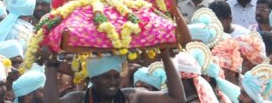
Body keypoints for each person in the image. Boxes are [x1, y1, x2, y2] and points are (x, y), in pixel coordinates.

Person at [44, 49, 186, 103]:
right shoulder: (79, 99)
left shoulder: (131, 97)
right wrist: (51, 65)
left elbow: (177, 99)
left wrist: (166, 57)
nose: (113, 82)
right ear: (93, 78)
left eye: (116, 76)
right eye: (106, 77)